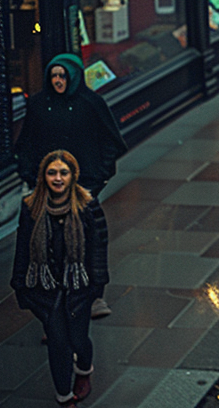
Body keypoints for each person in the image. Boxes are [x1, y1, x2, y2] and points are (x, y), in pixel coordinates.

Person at [15, 53, 125, 324]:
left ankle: (94, 294)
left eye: (63, 76)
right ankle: (55, 299)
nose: (58, 81)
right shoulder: (40, 105)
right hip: (48, 188)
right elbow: (27, 142)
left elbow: (111, 141)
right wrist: (30, 174)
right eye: (53, 76)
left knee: (90, 238)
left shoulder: (90, 103)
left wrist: (98, 177)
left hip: (83, 186)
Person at [11, 150, 109, 406]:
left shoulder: (88, 204)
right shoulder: (30, 206)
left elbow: (99, 247)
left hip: (79, 288)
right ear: (44, 175)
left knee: (78, 340)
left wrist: (97, 287)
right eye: (52, 172)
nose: (57, 178)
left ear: (72, 175)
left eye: (63, 173)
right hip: (47, 291)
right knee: (58, 343)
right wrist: (20, 286)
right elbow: (23, 247)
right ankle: (64, 397)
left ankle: (84, 370)